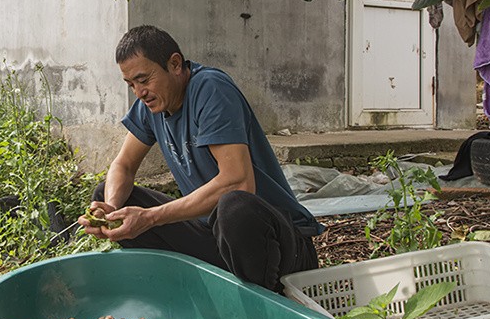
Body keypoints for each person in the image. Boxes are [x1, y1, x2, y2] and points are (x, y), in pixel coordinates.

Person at [78, 25, 322, 292]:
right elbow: (123, 165)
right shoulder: (150, 106)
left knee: (235, 208)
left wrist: (151, 217)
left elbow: (238, 182)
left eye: (144, 80)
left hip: (279, 246)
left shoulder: (211, 89)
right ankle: (191, 293)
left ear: (174, 64)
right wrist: (112, 209)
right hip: (217, 239)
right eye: (131, 84)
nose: (139, 92)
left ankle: (265, 304)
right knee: (109, 193)